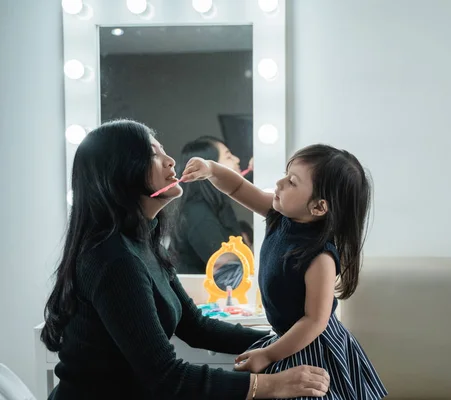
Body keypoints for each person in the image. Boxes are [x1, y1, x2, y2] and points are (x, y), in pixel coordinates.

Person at [40, 120, 330, 399]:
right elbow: (167, 378)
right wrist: (271, 385)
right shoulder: (115, 261)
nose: (171, 161)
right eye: (154, 154)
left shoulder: (144, 242)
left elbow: (196, 327)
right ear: (121, 172)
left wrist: (276, 344)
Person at [180, 144, 388, 399]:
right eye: (285, 174)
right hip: (286, 338)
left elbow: (314, 321)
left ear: (319, 207)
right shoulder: (279, 214)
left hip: (312, 348)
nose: (279, 183)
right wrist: (211, 169)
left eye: (292, 182)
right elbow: (237, 187)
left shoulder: (320, 257)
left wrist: (269, 354)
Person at [170, 136, 252, 274]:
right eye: (228, 156)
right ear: (209, 168)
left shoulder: (220, 207)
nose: (237, 160)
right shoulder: (198, 214)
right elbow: (227, 268)